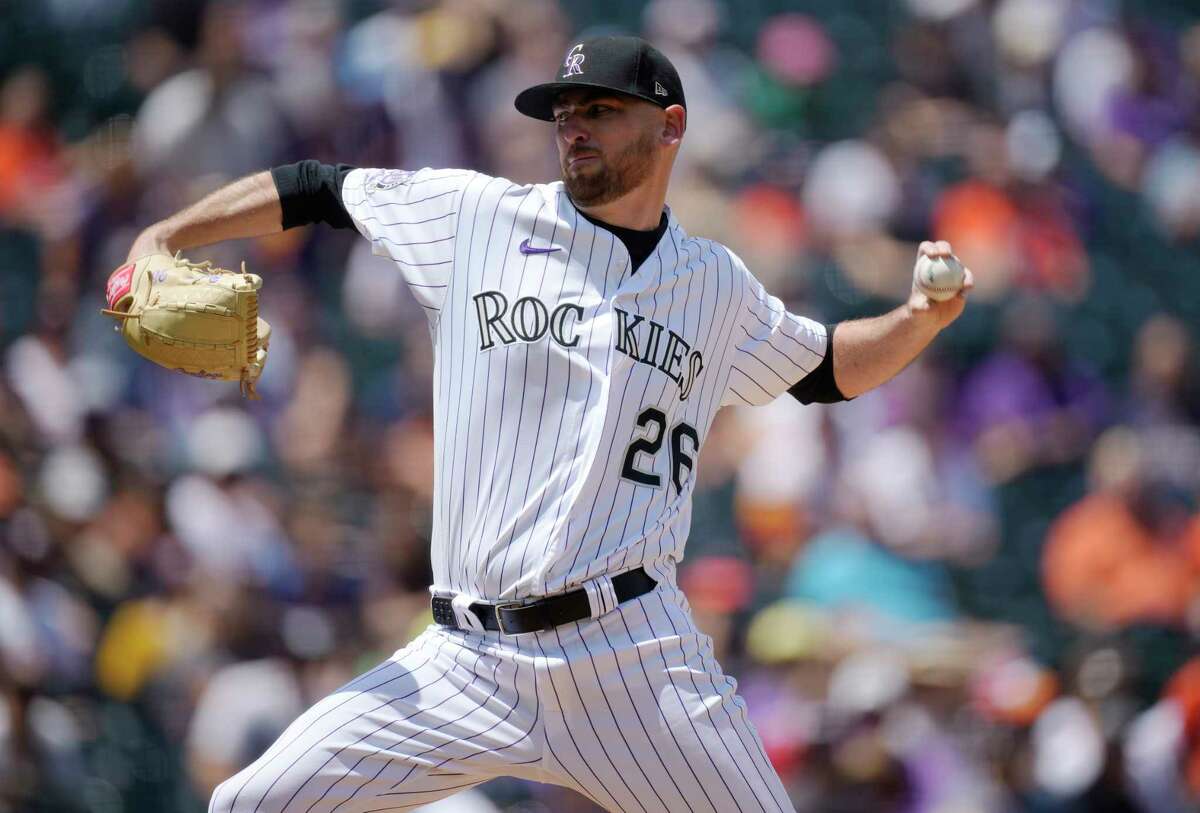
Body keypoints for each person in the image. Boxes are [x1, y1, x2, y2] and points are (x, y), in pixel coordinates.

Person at [126, 35, 972, 813]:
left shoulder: (715, 284)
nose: (575, 129)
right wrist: (168, 232)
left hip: (633, 657)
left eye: (600, 110)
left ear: (670, 125)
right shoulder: (475, 216)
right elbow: (314, 187)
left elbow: (824, 366)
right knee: (247, 805)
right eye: (565, 114)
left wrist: (917, 320)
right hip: (466, 657)